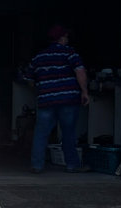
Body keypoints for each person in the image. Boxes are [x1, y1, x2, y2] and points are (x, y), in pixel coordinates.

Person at [29, 25, 90, 173]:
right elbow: (80, 72)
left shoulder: (39, 57)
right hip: (68, 100)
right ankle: (72, 165)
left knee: (41, 133)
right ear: (62, 38)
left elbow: (29, 79)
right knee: (68, 133)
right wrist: (85, 92)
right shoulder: (70, 53)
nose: (67, 39)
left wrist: (42, 90)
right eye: (66, 37)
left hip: (46, 101)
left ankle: (37, 165)